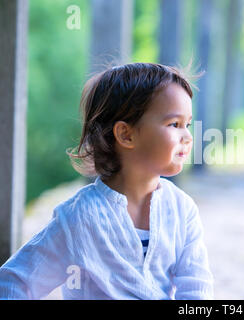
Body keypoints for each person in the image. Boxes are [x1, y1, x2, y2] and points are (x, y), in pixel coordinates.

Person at [0, 63, 214, 300]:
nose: (188, 136)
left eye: (188, 124)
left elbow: (196, 289)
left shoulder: (182, 210)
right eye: (174, 124)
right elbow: (15, 282)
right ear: (126, 134)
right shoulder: (79, 217)